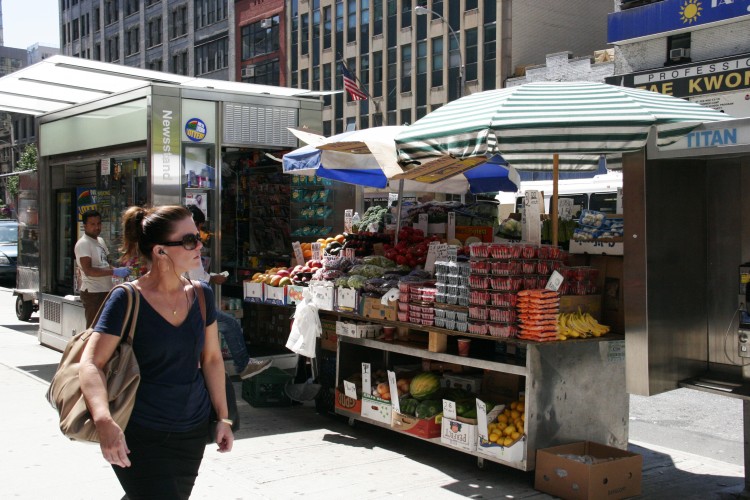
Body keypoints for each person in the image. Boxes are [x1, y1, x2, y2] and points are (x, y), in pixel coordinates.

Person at [79, 205, 233, 499]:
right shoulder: (126, 298)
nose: (200, 245)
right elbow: (91, 363)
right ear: (161, 251)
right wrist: (103, 421)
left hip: (191, 431)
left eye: (198, 237)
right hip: (139, 431)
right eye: (189, 240)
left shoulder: (201, 295)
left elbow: (212, 359)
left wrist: (223, 419)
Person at [186, 204, 272, 379]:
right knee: (230, 324)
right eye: (200, 226)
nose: (200, 233)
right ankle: (243, 365)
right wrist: (212, 278)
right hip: (193, 300)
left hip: (188, 299)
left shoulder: (179, 241)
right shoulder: (188, 243)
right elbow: (196, 277)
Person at [74, 210, 130, 327]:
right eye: (93, 224)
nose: (97, 227)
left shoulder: (100, 241)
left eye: (99, 223)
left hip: (106, 290)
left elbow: (105, 263)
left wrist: (119, 271)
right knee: (93, 329)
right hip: (93, 293)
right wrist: (114, 271)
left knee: (105, 327)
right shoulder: (83, 243)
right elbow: (88, 271)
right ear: (85, 226)